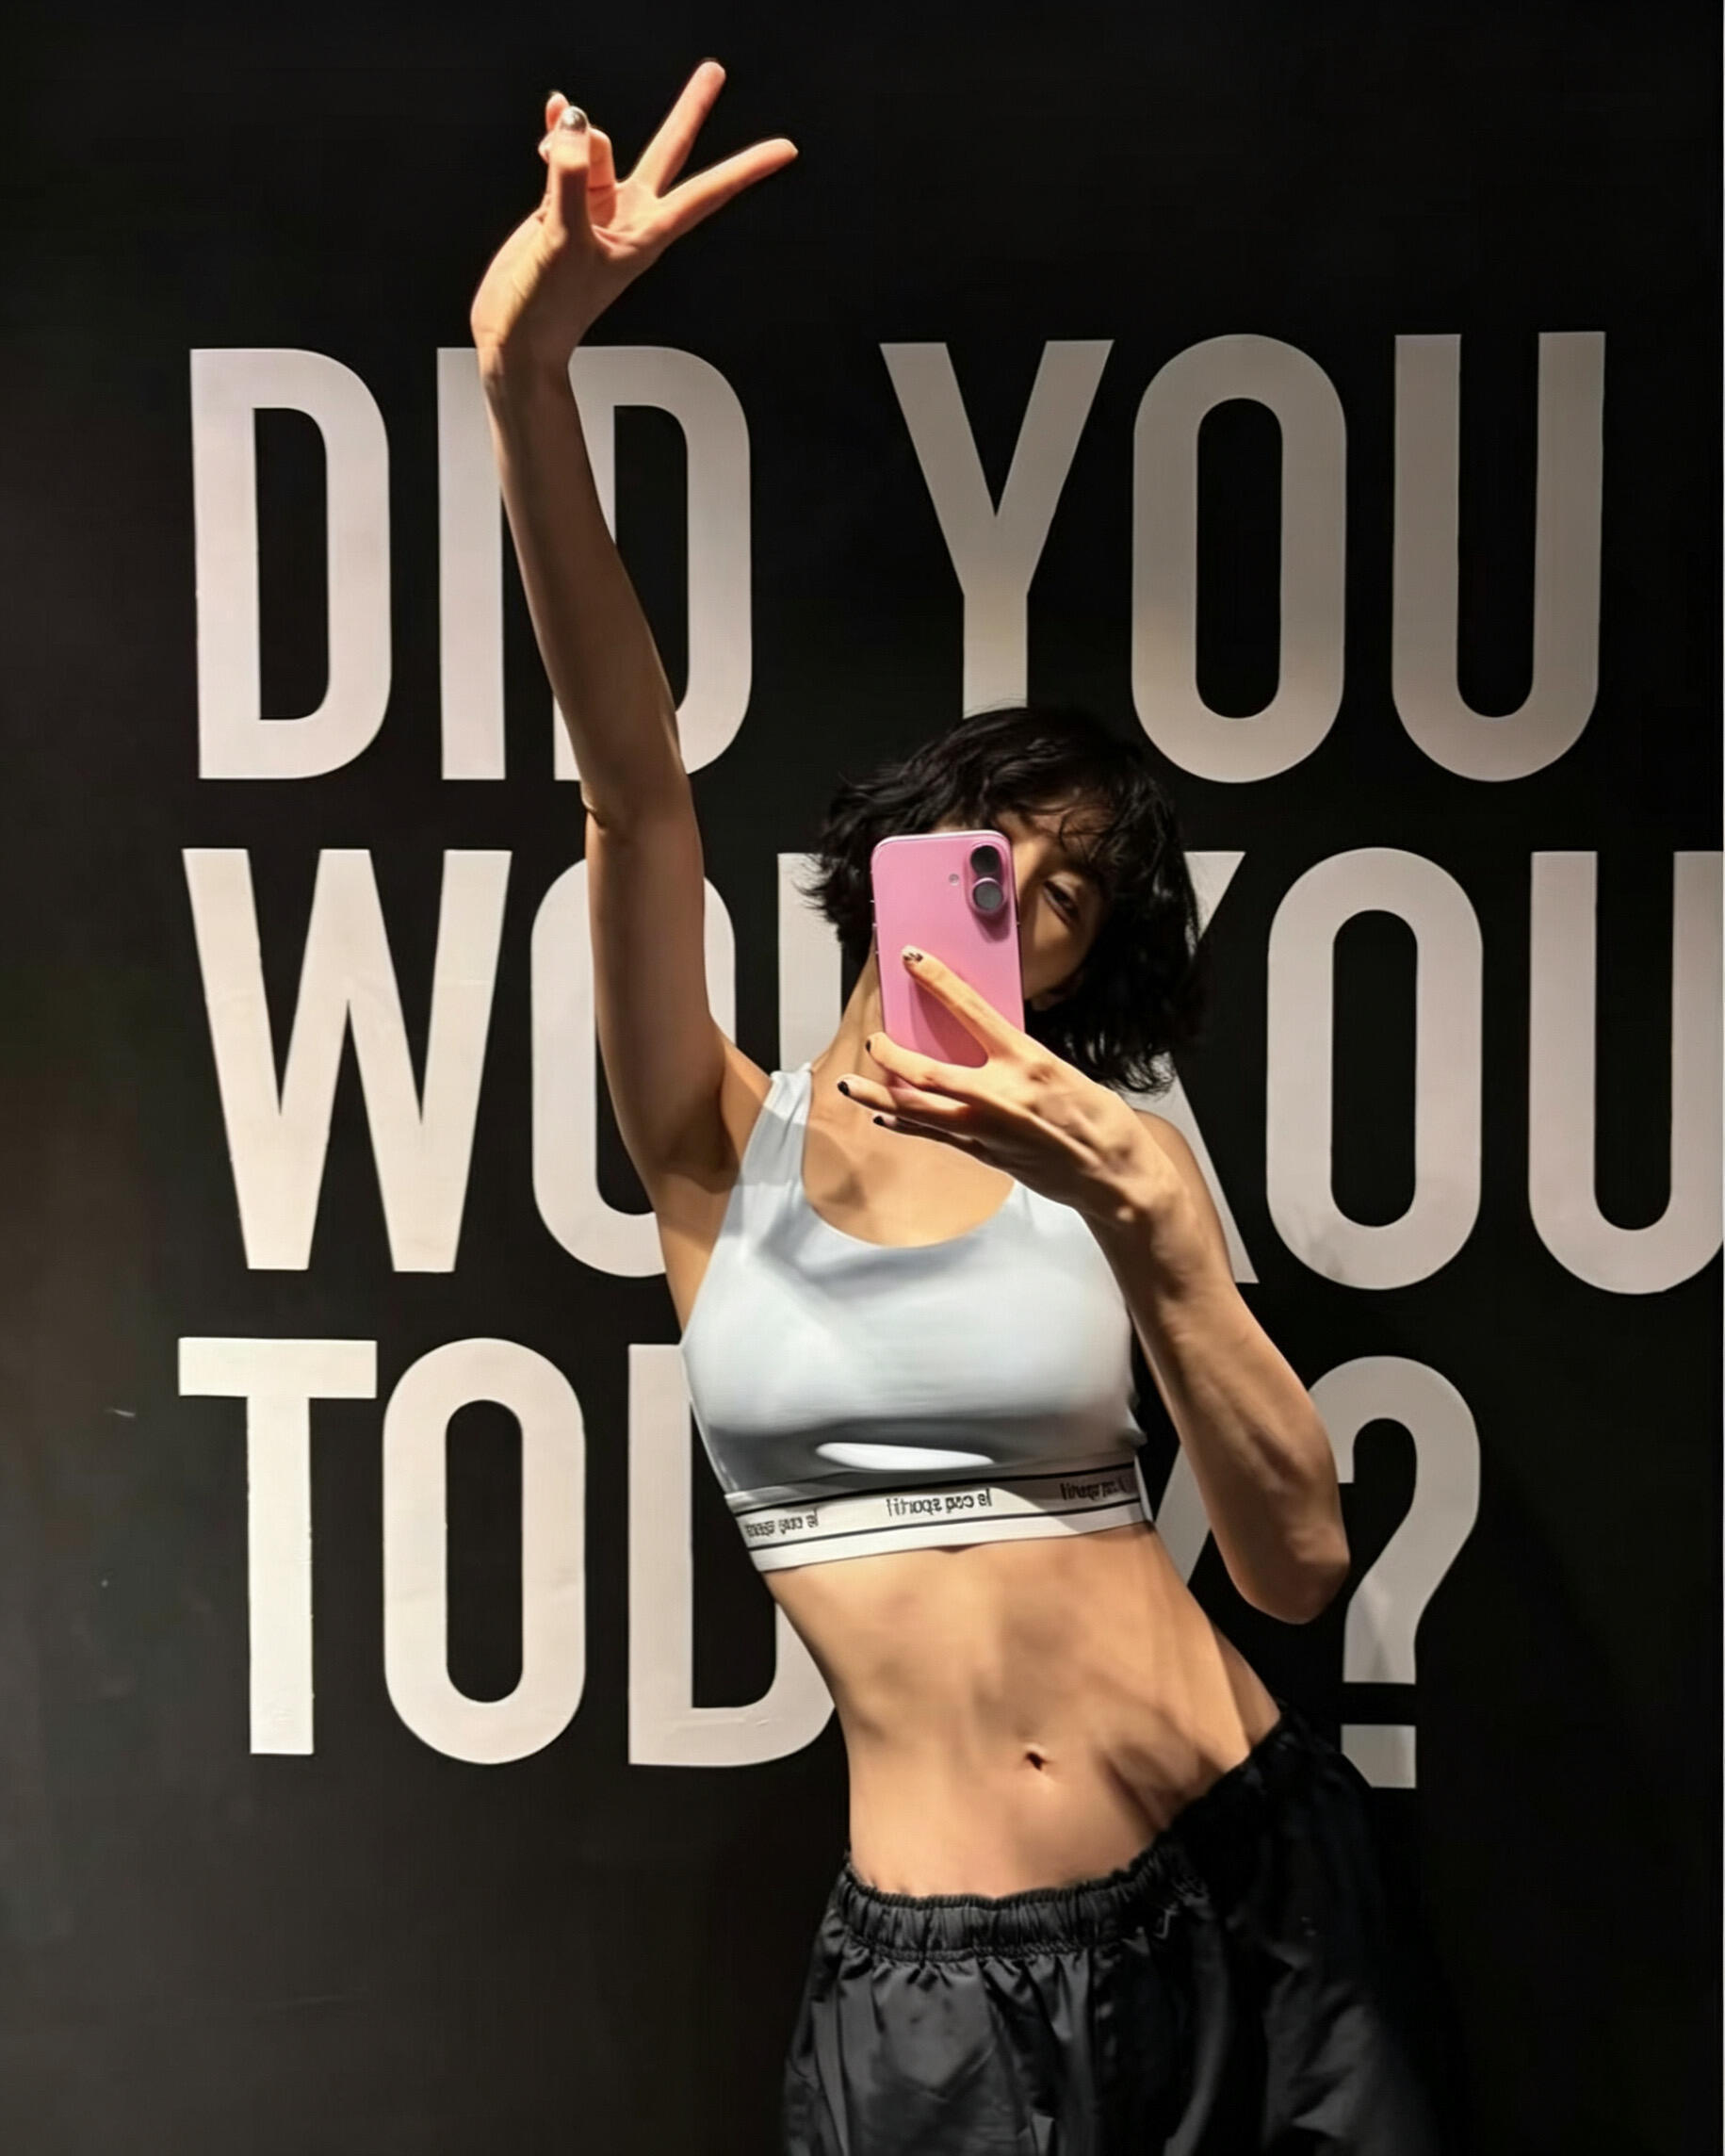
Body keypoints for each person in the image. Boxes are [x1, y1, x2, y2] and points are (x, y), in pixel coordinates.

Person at [469, 60, 1449, 2154]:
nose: (1021, 882)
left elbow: (1294, 1565)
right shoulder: (712, 1145)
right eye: (991, 834)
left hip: (1249, 1891)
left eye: (1070, 887)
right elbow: (632, 787)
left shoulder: (1115, 1144)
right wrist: (525, 381)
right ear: (895, 848)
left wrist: (1152, 1222)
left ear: (1084, 965)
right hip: (940, 1996)